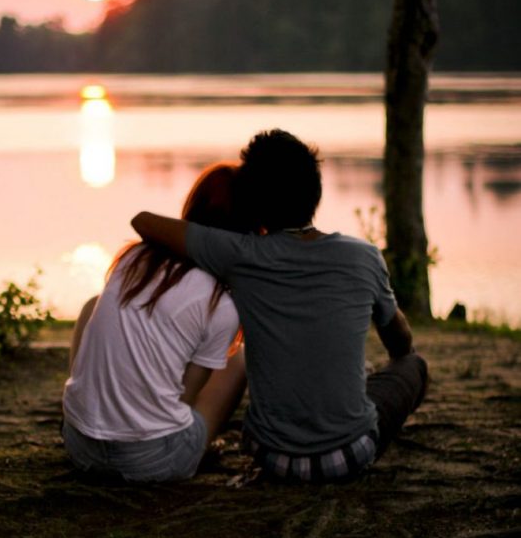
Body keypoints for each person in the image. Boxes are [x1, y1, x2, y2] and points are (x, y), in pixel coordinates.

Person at [132, 129, 428, 483]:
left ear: (254, 205)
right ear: (315, 193)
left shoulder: (239, 254)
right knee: (413, 365)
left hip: (271, 458)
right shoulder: (363, 257)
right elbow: (400, 341)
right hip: (349, 457)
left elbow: (142, 222)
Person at [62, 163, 255, 482]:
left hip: (80, 447)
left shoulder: (134, 258)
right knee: (237, 360)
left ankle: (90, 410)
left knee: (92, 306)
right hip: (152, 463)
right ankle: (200, 445)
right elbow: (186, 398)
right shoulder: (220, 303)